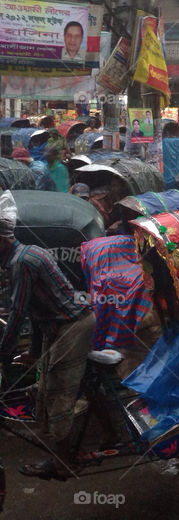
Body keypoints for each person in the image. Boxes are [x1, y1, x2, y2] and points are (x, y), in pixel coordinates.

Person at [0, 194, 95, 480]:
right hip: (64, 325)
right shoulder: (29, 253)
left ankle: (63, 463)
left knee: (56, 393)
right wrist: (35, 350)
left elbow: (17, 313)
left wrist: (3, 353)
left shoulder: (22, 262)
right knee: (44, 388)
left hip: (73, 326)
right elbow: (38, 311)